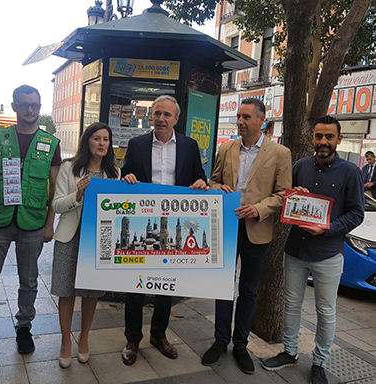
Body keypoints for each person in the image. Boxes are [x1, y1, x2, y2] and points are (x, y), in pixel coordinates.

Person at [262, 116, 364, 384]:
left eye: (329, 137)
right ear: (312, 138)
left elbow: (356, 214)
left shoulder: (350, 172)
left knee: (326, 311)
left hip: (328, 254)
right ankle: (290, 352)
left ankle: (319, 362)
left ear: (339, 140)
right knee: (292, 305)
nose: (323, 142)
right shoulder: (299, 166)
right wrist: (294, 195)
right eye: (319, 136)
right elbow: (286, 199)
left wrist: (327, 228)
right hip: (295, 250)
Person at [0, 85, 61, 356]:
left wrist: (50, 223)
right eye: (25, 104)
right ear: (15, 106)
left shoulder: (50, 143)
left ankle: (24, 328)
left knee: (29, 280)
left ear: (39, 109)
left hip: (33, 221)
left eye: (35, 106)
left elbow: (55, 188)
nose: (30, 110)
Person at [202, 98, 292, 374]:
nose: (239, 121)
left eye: (245, 117)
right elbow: (213, 180)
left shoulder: (280, 153)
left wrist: (259, 209)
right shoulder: (226, 149)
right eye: (238, 117)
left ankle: (240, 344)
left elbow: (283, 193)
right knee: (221, 286)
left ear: (261, 120)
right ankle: (220, 340)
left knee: (248, 290)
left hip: (257, 227)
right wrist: (219, 188)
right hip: (226, 225)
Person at [121, 95, 207, 365]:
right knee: (135, 284)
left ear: (176, 119)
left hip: (173, 224)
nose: (160, 118)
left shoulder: (189, 146)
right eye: (157, 113)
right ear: (151, 116)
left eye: (166, 115)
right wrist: (128, 178)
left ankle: (158, 334)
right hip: (143, 222)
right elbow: (125, 174)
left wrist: (201, 184)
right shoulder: (136, 144)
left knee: (166, 284)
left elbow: (199, 176)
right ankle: (132, 338)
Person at [51, 122, 120, 368]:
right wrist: (77, 195)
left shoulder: (114, 173)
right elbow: (57, 205)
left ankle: (84, 339)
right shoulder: (70, 168)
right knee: (66, 290)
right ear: (87, 141)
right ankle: (65, 342)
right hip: (70, 236)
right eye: (96, 138)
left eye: (106, 139)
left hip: (96, 240)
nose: (102, 143)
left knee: (91, 293)